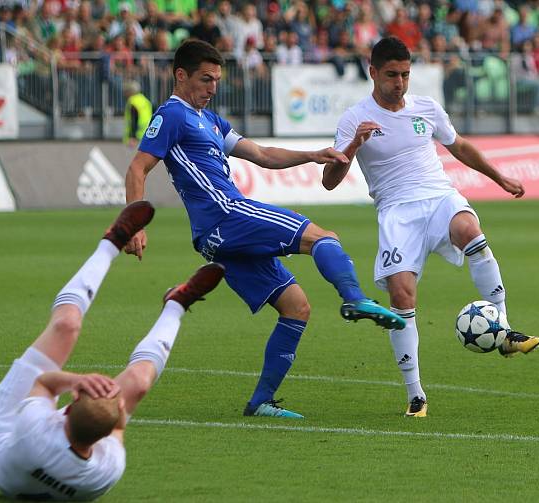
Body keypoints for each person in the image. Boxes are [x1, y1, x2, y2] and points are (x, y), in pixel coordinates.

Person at [124, 39, 405, 419]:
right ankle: (354, 297)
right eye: (205, 79)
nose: (212, 88)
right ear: (180, 75)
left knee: (296, 307)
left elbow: (260, 155)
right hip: (225, 214)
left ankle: (260, 402)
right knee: (324, 238)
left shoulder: (210, 120)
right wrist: (133, 224)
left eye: (217, 80)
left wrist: (311, 155)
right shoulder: (172, 115)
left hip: (218, 236)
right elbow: (137, 168)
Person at [323, 37, 539, 419]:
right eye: (392, 74)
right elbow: (329, 179)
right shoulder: (354, 118)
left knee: (469, 230)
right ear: (373, 72)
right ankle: (416, 397)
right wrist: (355, 145)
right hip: (396, 211)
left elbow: (458, 146)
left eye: (406, 74)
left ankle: (505, 330)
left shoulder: (427, 108)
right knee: (403, 296)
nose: (400, 82)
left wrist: (499, 177)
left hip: (439, 196)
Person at [0, 201, 226, 500]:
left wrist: (75, 380)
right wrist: (110, 403)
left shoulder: (33, 429)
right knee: (139, 384)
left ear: (68, 406)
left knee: (66, 327)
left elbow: (43, 383)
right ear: (111, 430)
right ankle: (177, 305)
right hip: (37, 455)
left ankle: (111, 241)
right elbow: (116, 419)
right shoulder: (107, 469)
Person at [123, 80, 153, 148]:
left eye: (126, 91)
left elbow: (134, 120)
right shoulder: (145, 100)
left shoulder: (133, 102)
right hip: (148, 134)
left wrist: (132, 137)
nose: (125, 93)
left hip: (137, 137)